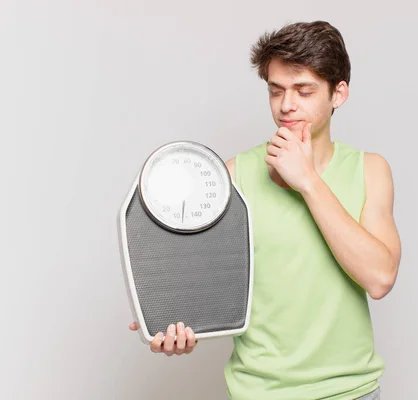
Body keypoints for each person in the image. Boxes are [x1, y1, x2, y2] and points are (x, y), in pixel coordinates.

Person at [129, 20, 401, 400]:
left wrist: (307, 181)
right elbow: (200, 285)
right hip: (259, 393)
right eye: (276, 91)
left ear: (338, 93)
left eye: (303, 91)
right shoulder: (232, 176)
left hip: (351, 392)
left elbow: (380, 277)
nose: (287, 105)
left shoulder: (371, 170)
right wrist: (175, 325)